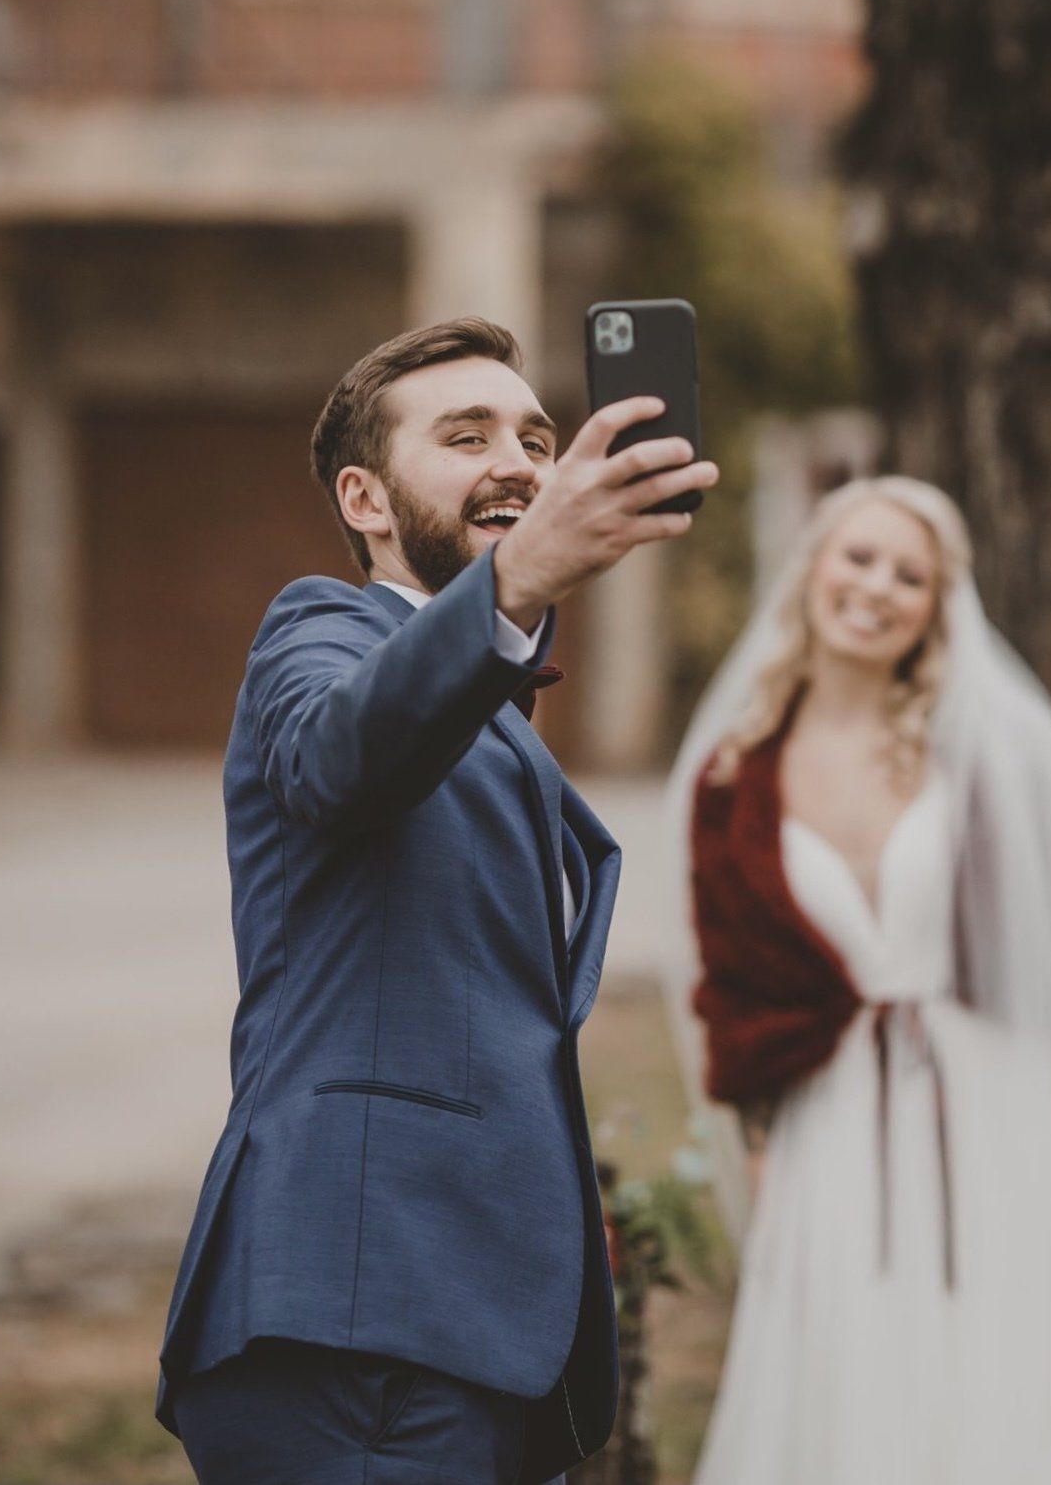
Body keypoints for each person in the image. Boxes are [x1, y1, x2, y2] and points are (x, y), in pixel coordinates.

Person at [156, 317, 718, 1485]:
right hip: (356, 1327)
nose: (517, 458)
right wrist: (514, 587)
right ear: (364, 498)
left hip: (477, 1343)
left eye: (535, 434)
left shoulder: (489, 692)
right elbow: (342, 754)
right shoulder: (319, 630)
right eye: (465, 436)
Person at [666, 476, 1051, 1485]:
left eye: (909, 575)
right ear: (811, 569)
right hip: (829, 1124)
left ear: (938, 608)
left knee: (1021, 1371)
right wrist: (773, 1186)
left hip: (1004, 1103)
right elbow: (737, 998)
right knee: (855, 1382)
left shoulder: (984, 753)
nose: (876, 587)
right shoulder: (731, 775)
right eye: (858, 557)